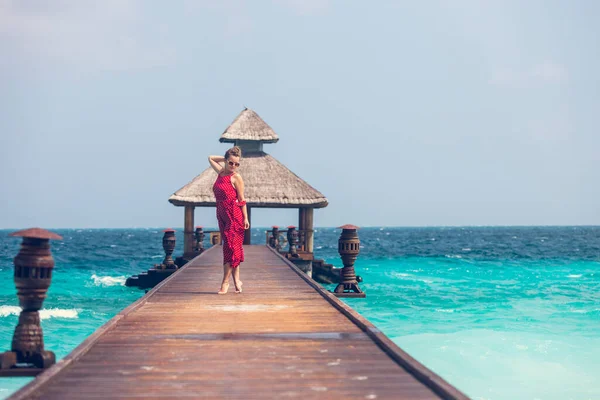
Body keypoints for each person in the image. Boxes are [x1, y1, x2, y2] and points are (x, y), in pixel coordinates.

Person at [209, 146, 250, 294]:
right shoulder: (220, 173)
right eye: (231, 163)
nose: (234, 166)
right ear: (226, 161)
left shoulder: (236, 177)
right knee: (232, 248)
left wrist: (245, 218)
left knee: (231, 248)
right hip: (221, 214)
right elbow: (210, 158)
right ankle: (237, 281)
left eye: (237, 164)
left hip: (234, 215)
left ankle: (225, 282)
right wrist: (226, 157)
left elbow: (242, 199)